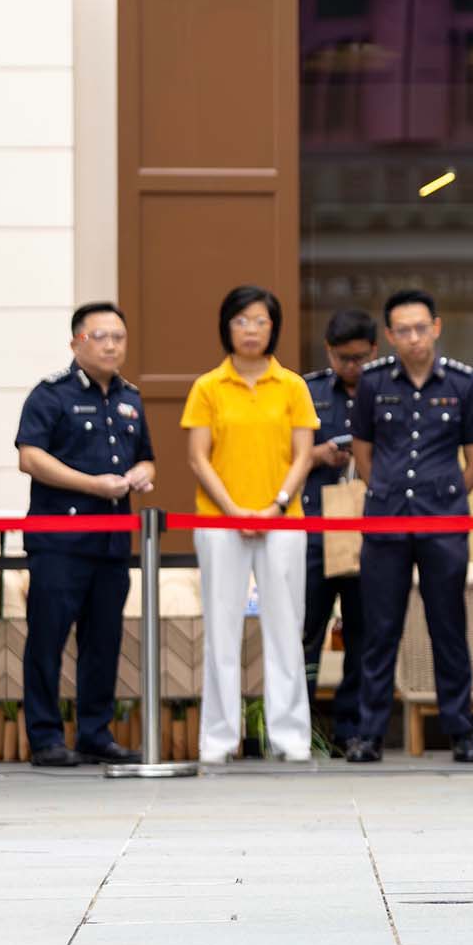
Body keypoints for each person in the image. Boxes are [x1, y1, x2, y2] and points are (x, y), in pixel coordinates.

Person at [348, 289, 473, 764]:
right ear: (389, 335)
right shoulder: (372, 383)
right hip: (386, 518)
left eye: (421, 328)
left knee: (448, 625)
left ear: (437, 327)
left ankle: (460, 729)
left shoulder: (464, 383)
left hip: (443, 520)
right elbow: (363, 451)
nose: (413, 338)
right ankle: (368, 733)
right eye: (402, 330)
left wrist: (450, 493)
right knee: (379, 628)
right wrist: (384, 489)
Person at [182, 285, 319, 765]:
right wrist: (234, 510)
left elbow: (303, 454)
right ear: (226, 326)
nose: (251, 330)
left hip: (283, 520)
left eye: (260, 321)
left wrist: (276, 505)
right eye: (242, 321)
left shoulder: (293, 385)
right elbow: (199, 458)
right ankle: (218, 740)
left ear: (274, 327)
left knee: (286, 627)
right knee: (222, 629)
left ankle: (290, 737)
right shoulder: (207, 386)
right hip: (221, 523)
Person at [15, 303, 153, 766]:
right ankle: (46, 737)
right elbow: (30, 458)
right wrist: (92, 484)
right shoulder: (50, 395)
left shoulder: (131, 398)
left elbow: (148, 457)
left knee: (103, 642)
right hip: (60, 541)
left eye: (119, 337)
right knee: (47, 641)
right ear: (77, 343)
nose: (112, 345)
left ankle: (95, 732)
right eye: (101, 336)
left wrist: (140, 474)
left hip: (112, 543)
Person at [301, 309, 377, 757]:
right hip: (316, 522)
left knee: (363, 633)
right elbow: (283, 453)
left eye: (361, 358)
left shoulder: (386, 389)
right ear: (330, 351)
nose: (354, 367)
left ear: (374, 351)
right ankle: (303, 726)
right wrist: (317, 454)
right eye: (345, 358)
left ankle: (354, 729)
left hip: (368, 526)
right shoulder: (307, 391)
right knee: (307, 630)